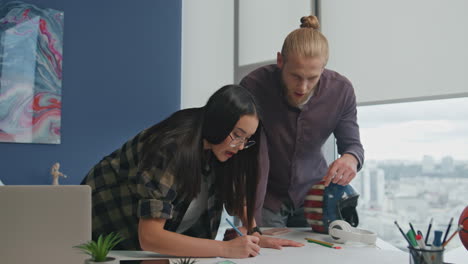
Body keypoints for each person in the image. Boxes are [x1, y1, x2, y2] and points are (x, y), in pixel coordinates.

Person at [81, 85, 303, 258]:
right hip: (98, 235)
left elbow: (237, 196)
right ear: (219, 122)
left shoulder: (221, 150)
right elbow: (150, 237)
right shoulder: (172, 146)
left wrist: (255, 235)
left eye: (246, 139)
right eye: (237, 135)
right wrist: (225, 249)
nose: (239, 146)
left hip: (139, 249)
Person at [240, 15, 364, 228]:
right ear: (280, 61)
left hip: (315, 197)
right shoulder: (254, 86)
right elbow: (241, 147)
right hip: (266, 196)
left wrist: (350, 159)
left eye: (313, 78)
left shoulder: (341, 91)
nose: (303, 87)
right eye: (296, 76)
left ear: (324, 68)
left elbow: (353, 145)